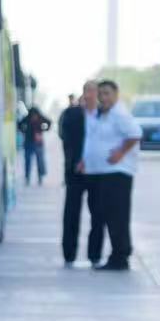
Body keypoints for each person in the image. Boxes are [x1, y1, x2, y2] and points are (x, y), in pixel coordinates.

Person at [79, 79, 142, 270]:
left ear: (116, 95)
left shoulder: (119, 114)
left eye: (107, 93)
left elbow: (135, 134)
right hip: (104, 173)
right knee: (108, 215)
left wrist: (121, 152)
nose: (103, 97)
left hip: (118, 173)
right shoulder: (103, 114)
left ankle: (120, 257)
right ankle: (117, 255)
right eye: (101, 94)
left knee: (118, 217)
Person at [58, 84, 93, 265]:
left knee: (98, 215)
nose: (91, 96)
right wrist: (77, 160)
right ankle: (69, 253)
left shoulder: (102, 115)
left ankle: (94, 255)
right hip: (75, 171)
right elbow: (64, 136)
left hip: (96, 173)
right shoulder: (71, 114)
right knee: (71, 213)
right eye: (88, 92)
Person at [20, 104, 51, 185]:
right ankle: (27, 177)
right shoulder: (27, 118)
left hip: (38, 143)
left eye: (35, 115)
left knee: (40, 161)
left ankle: (40, 177)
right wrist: (24, 131)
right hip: (29, 142)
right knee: (28, 161)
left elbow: (49, 122)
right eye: (33, 116)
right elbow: (19, 124)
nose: (34, 117)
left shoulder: (40, 118)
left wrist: (44, 129)